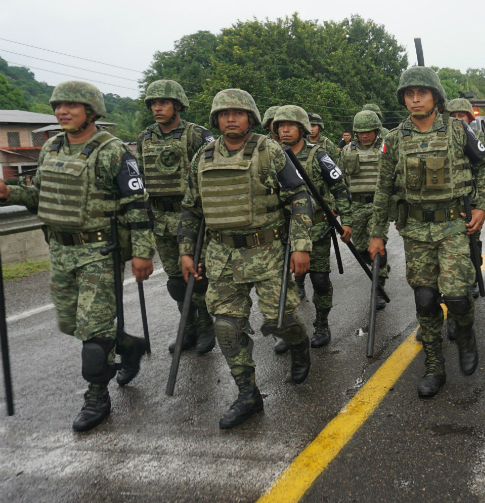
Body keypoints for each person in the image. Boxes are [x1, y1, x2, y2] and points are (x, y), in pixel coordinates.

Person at [0, 81, 154, 431]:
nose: (62, 112)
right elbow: (39, 193)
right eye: (57, 106)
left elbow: (138, 205)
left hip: (99, 252)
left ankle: (97, 395)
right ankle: (128, 346)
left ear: (92, 110)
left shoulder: (113, 151)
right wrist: (10, 192)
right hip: (60, 250)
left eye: (71, 105)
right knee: (71, 324)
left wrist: (142, 254)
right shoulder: (51, 147)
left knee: (94, 335)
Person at [179, 89, 314, 429]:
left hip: (268, 252)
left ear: (250, 118)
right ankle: (247, 394)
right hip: (222, 256)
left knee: (280, 320)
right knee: (226, 326)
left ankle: (299, 345)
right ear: (216, 119)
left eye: (238, 113)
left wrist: (300, 244)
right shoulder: (203, 157)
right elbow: (191, 209)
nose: (231, 118)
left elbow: (299, 197)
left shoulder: (270, 151)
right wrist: (185, 250)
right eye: (224, 114)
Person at [366, 67, 485, 398]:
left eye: (421, 93)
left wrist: (481, 206)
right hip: (417, 229)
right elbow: (383, 189)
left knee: (456, 297)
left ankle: (465, 333)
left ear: (435, 97)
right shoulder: (394, 140)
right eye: (409, 94)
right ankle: (434, 365)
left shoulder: (457, 130)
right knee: (424, 298)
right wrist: (376, 234)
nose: (415, 99)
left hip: (454, 225)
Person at [137, 79, 216, 355]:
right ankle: (188, 326)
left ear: (178, 105)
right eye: (153, 104)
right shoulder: (145, 137)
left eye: (163, 103)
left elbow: (213, 170)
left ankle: (207, 325)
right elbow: (140, 177)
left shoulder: (197, 135)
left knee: (196, 276)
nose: (157, 108)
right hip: (160, 217)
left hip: (191, 216)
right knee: (174, 281)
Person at [272, 105, 352, 352]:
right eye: (280, 126)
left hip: (316, 229)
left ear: (302, 129)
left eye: (290, 125)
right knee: (281, 284)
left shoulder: (319, 155)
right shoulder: (269, 156)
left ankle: (322, 324)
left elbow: (340, 188)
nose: (285, 130)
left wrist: (346, 220)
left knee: (319, 279)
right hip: (281, 231)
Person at [446, 98, 485, 303]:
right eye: (454, 116)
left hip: (475, 200)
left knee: (472, 242)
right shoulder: (445, 138)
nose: (458, 119)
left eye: (462, 116)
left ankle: (472, 278)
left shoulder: (479, 136)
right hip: (452, 201)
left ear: (470, 118)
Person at [339, 109, 392, 309]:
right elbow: (339, 180)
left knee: (376, 245)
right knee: (361, 248)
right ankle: (381, 267)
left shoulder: (386, 149)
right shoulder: (346, 151)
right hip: (356, 205)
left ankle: (378, 286)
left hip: (379, 205)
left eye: (369, 130)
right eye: (360, 131)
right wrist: (340, 206)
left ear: (377, 130)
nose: (364, 135)